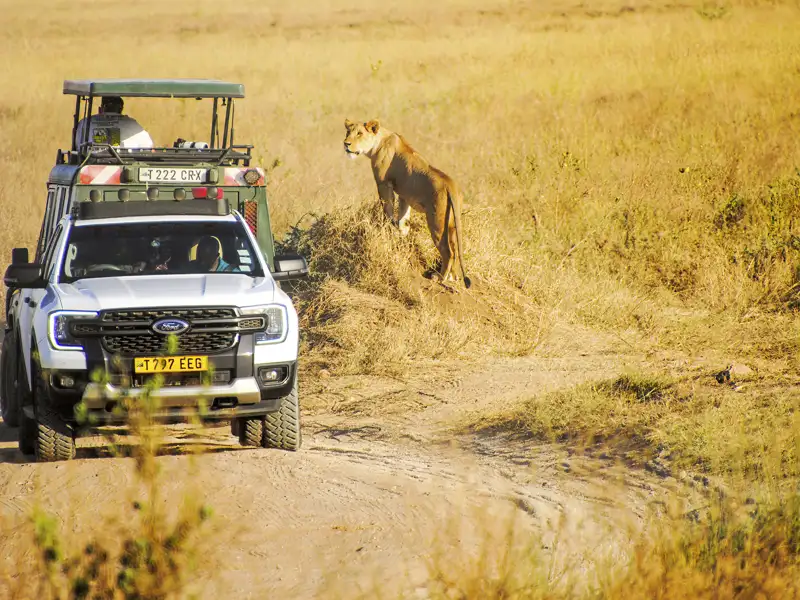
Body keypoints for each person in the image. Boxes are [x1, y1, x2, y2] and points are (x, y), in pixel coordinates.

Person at [74, 96, 154, 151]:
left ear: (100, 109)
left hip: (92, 164)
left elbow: (78, 145)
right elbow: (147, 145)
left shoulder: (85, 122)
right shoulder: (132, 123)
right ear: (121, 109)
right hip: (126, 163)